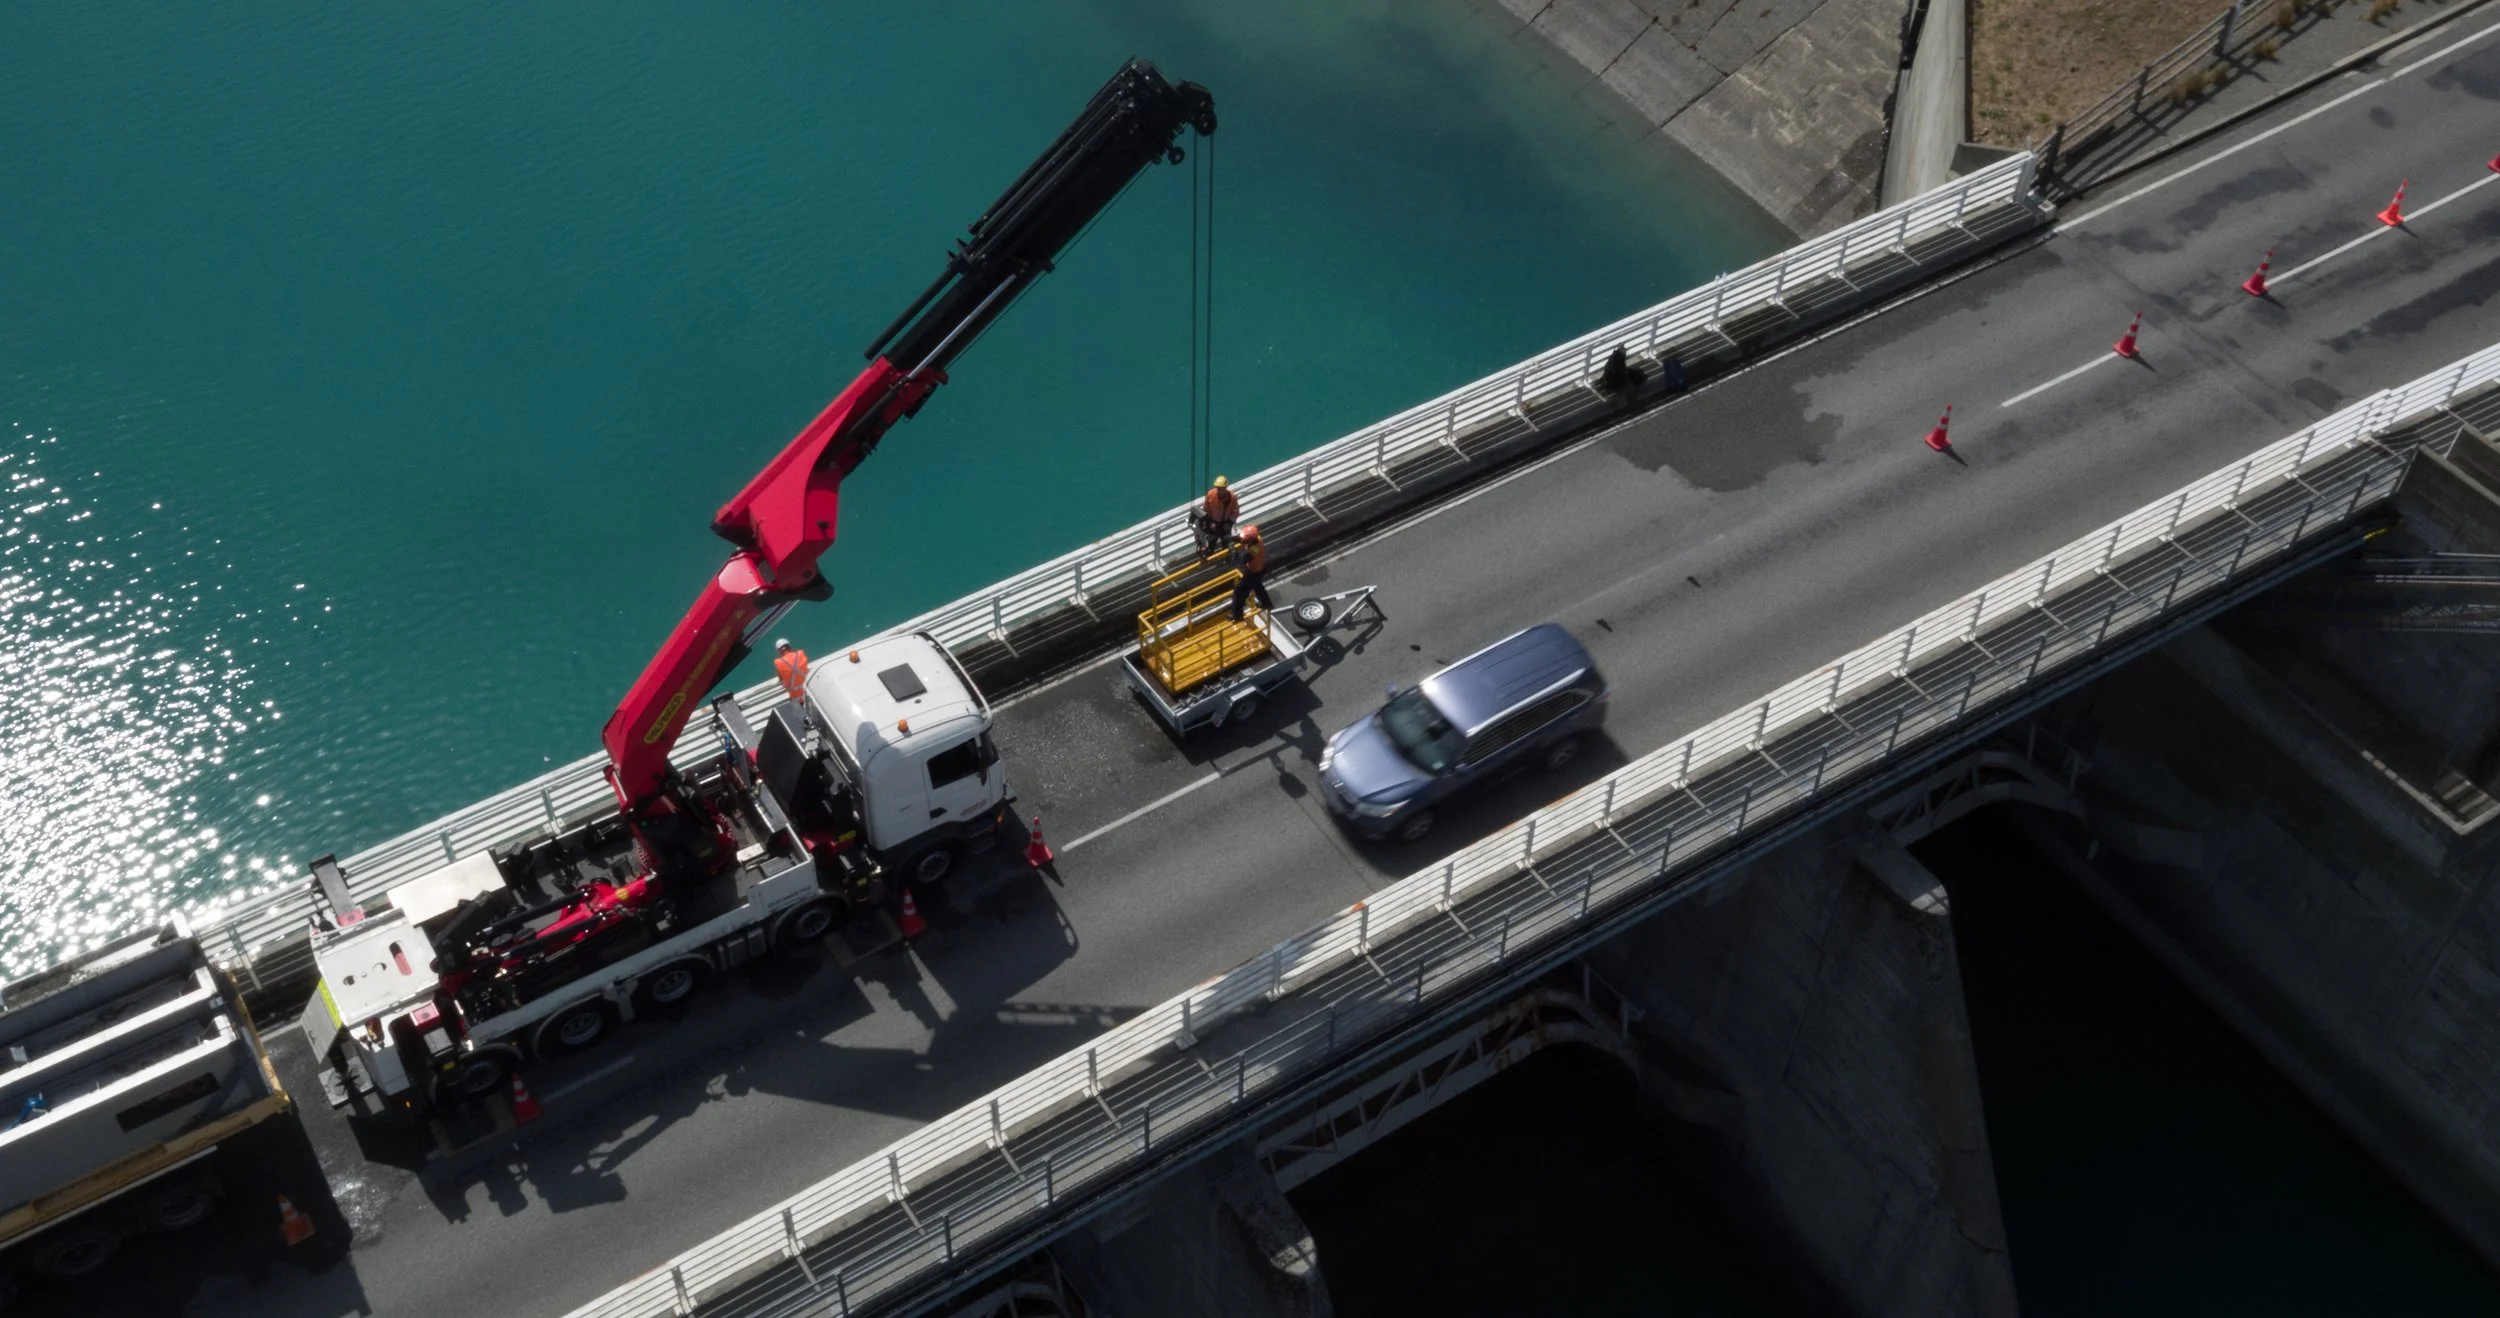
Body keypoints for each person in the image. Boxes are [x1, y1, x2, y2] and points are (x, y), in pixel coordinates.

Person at [1226, 523, 1272, 622]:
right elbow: (1244, 539)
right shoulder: (1256, 538)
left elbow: (1241, 560)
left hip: (1253, 573)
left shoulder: (1254, 549)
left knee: (1239, 593)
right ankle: (1266, 603)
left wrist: (1233, 552)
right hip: (1259, 570)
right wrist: (1232, 538)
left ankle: (1237, 615)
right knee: (1258, 587)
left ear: (1250, 539)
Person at [1196, 475, 1238, 557]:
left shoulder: (1232, 497)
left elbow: (1235, 512)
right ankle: (1210, 558)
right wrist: (1210, 523)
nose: (1219, 489)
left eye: (1221, 487)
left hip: (1225, 525)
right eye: (1217, 487)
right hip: (1213, 525)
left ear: (1226, 487)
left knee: (1226, 545)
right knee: (1210, 545)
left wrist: (1229, 523)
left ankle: (1227, 560)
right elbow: (1205, 511)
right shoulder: (1210, 495)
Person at [773, 638, 810, 702]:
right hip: (809, 692)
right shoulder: (800, 653)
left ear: (779, 651)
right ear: (789, 646)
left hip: (797, 699)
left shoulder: (778, 662)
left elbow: (781, 679)